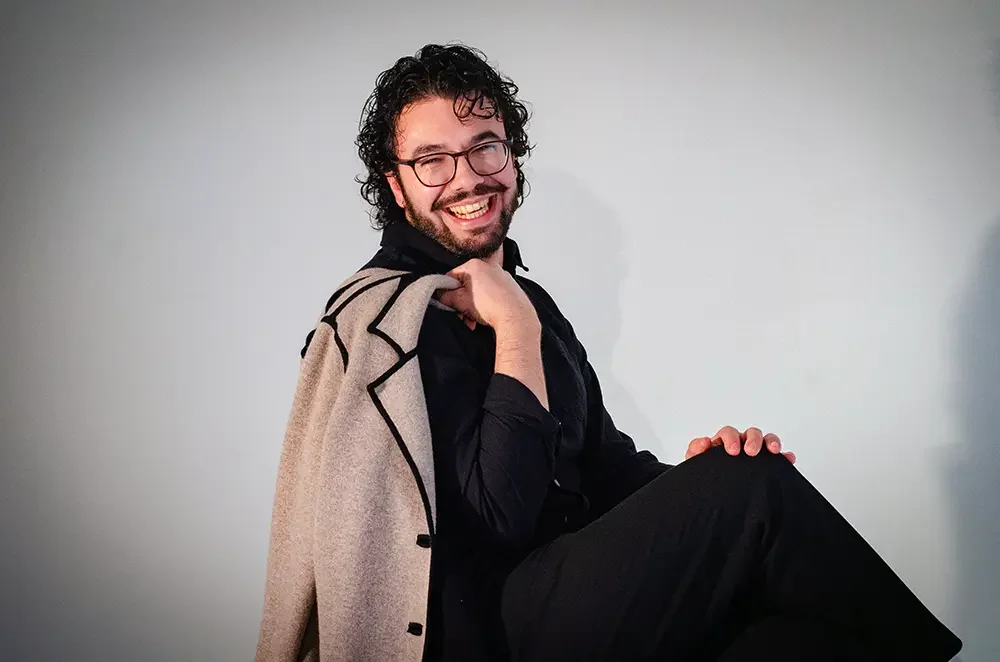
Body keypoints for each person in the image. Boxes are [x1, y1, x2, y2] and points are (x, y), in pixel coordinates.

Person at [255, 43, 963, 662]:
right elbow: (501, 515)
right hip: (490, 628)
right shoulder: (392, 321)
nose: (467, 178)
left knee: (792, 632)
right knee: (758, 493)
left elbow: (606, 467)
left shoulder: (530, 300)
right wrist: (516, 332)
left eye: (484, 147)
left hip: (578, 599)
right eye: (432, 161)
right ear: (396, 184)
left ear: (511, 155)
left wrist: (700, 483)